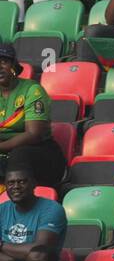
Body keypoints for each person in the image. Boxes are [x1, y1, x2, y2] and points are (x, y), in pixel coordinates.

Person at [0, 45, 65, 190]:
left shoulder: (32, 90)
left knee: (19, 154)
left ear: (14, 66)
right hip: (5, 152)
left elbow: (33, 135)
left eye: (4, 61)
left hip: (39, 152)